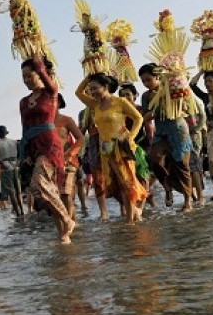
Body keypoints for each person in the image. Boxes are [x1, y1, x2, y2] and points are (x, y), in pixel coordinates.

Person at [75, 73, 148, 223]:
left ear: (106, 87)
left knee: (126, 183)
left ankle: (130, 221)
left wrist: (130, 137)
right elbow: (78, 93)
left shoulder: (120, 101)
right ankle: (134, 211)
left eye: (95, 88)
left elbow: (138, 118)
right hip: (105, 150)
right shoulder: (95, 105)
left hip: (121, 147)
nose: (93, 92)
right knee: (113, 185)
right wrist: (88, 79)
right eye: (91, 89)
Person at [18, 57, 75, 242]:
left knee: (39, 183)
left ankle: (67, 220)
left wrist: (38, 61)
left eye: (29, 76)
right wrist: (24, 153)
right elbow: (24, 127)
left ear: (40, 74)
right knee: (49, 191)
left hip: (50, 144)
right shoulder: (23, 102)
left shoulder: (50, 93)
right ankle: (64, 235)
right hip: (33, 145)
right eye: (23, 77)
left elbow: (46, 77)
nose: (26, 80)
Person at [139, 64, 194, 212]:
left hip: (178, 130)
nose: (146, 83)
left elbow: (187, 109)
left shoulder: (173, 88)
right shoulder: (146, 96)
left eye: (148, 80)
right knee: (153, 159)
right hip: (161, 132)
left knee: (182, 166)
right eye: (143, 81)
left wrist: (176, 103)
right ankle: (167, 186)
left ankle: (187, 201)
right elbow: (145, 116)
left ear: (158, 77)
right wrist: (157, 110)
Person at [54, 94, 85, 219]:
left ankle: (70, 224)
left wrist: (69, 154)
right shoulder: (41, 123)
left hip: (68, 162)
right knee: (56, 196)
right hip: (50, 163)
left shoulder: (67, 120)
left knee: (66, 194)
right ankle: (68, 223)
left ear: (60, 103)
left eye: (54, 101)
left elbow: (81, 139)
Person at [0, 125, 23, 217]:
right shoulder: (14, 142)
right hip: (15, 166)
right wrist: (19, 161)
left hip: (6, 168)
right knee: (18, 192)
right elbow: (21, 151)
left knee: (12, 193)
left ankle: (18, 214)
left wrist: (1, 163)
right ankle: (22, 212)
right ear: (6, 133)